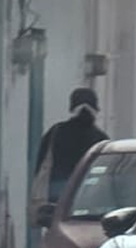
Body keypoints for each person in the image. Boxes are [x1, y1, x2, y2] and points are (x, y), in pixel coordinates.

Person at [32, 87, 109, 216]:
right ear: (95, 109)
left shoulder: (56, 132)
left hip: (58, 192)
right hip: (89, 192)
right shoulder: (100, 138)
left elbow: (41, 163)